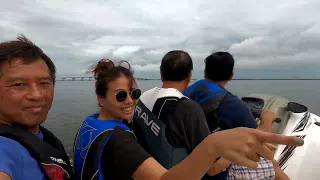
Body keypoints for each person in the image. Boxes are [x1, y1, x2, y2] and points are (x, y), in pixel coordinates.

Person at [71, 58, 304, 180]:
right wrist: (214, 145)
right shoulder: (120, 142)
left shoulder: (92, 123)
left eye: (134, 93)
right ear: (101, 98)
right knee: (271, 165)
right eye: (121, 95)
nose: (130, 101)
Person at [183, 51, 289, 179]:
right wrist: (267, 119)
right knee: (272, 165)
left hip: (186, 163)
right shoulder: (232, 104)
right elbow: (261, 143)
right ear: (231, 75)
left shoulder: (187, 91)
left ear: (205, 72)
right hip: (213, 173)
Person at [132, 50, 227, 179]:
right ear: (189, 76)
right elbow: (211, 168)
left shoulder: (143, 98)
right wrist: (232, 153)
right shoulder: (188, 108)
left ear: (161, 74)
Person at [0, 35, 75, 180]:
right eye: (19, 84)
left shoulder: (41, 136)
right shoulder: (5, 150)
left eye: (44, 83)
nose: (37, 95)